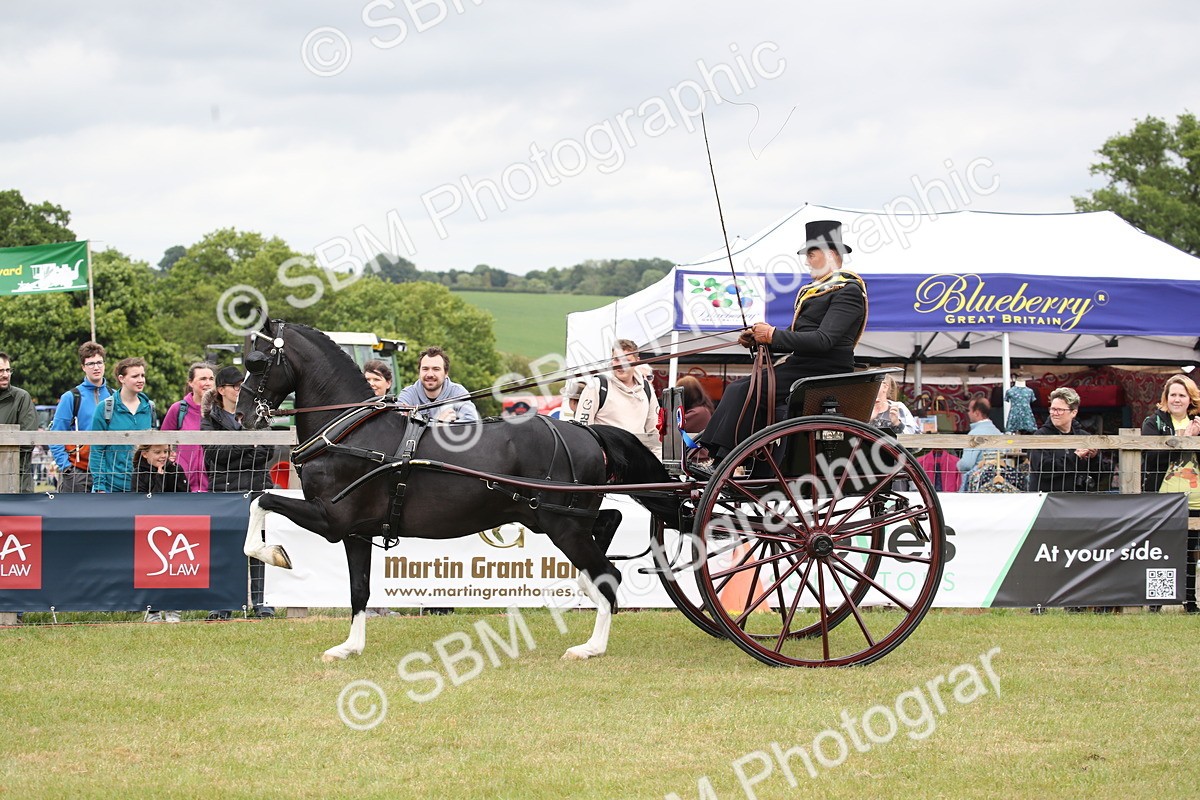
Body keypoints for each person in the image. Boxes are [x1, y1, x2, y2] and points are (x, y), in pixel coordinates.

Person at [700, 220, 867, 463]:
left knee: (744, 390)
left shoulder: (848, 291)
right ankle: (718, 453)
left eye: (811, 254)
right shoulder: (817, 291)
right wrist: (760, 341)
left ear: (830, 254)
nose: (807, 261)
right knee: (738, 387)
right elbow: (797, 335)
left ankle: (723, 459)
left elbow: (823, 341)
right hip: (802, 366)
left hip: (823, 371)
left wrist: (772, 334)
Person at [202, 366, 275, 619]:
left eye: (242, 384)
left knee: (259, 545)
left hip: (256, 487)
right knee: (228, 548)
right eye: (235, 386)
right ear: (221, 390)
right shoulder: (209, 418)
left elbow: (268, 452)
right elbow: (213, 454)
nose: (240, 389)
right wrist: (247, 445)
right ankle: (224, 603)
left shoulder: (258, 414)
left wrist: (236, 452)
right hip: (225, 493)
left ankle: (261, 602)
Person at [1140, 374, 1200, 613]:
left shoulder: (1198, 422)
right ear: (1166, 398)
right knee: (1160, 549)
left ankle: (1190, 601)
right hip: (1163, 496)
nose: (1177, 399)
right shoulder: (1152, 422)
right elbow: (1152, 457)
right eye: (1173, 395)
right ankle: (1156, 602)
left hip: (1195, 497)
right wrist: (1183, 441)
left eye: (1182, 395)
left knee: (1189, 552)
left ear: (1190, 399)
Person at [574, 339, 661, 456]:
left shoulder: (646, 389)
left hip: (637, 462)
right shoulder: (597, 386)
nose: (621, 365)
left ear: (637, 361)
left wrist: (657, 464)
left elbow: (654, 433)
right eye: (617, 360)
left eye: (627, 360)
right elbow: (581, 430)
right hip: (605, 463)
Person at [49, 342, 113, 493]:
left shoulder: (114, 396)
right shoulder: (71, 397)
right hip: (79, 472)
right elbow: (54, 436)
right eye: (90, 364)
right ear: (83, 367)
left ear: (104, 364)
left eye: (99, 362)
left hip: (108, 471)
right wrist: (67, 468)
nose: (96, 367)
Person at [90, 357, 156, 493]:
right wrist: (99, 487)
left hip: (142, 487)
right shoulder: (104, 409)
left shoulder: (150, 407)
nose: (141, 380)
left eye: (142, 375)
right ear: (121, 378)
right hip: (111, 487)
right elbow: (97, 451)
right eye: (135, 376)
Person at [1029, 387, 1111, 493]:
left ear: (1073, 412)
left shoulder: (1084, 437)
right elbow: (1044, 470)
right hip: (1049, 500)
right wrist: (1075, 456)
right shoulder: (1040, 436)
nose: (1055, 413)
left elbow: (1100, 476)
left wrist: (1094, 458)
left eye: (1060, 410)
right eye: (1053, 409)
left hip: (1079, 500)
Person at [162, 362, 215, 492]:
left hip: (213, 485)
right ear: (190, 383)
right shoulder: (178, 409)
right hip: (181, 485)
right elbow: (163, 441)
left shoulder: (219, 412)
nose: (208, 383)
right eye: (203, 379)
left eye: (211, 379)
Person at [395, 347, 479, 423]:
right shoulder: (408, 394)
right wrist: (438, 423)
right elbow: (397, 424)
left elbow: (472, 421)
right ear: (419, 372)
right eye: (425, 369)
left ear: (446, 373)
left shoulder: (458, 393)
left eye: (436, 369)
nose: (430, 374)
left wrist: (445, 426)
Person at [0, 351, 38, 492]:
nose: (5, 375)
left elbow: (27, 441)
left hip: (18, 481)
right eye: (0, 371)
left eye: (8, 370)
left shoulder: (21, 398)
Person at [957, 397, 1004, 491]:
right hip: (997, 482)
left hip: (977, 484)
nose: (968, 413)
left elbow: (966, 464)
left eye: (969, 410)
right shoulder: (998, 432)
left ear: (977, 413)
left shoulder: (975, 434)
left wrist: (958, 464)